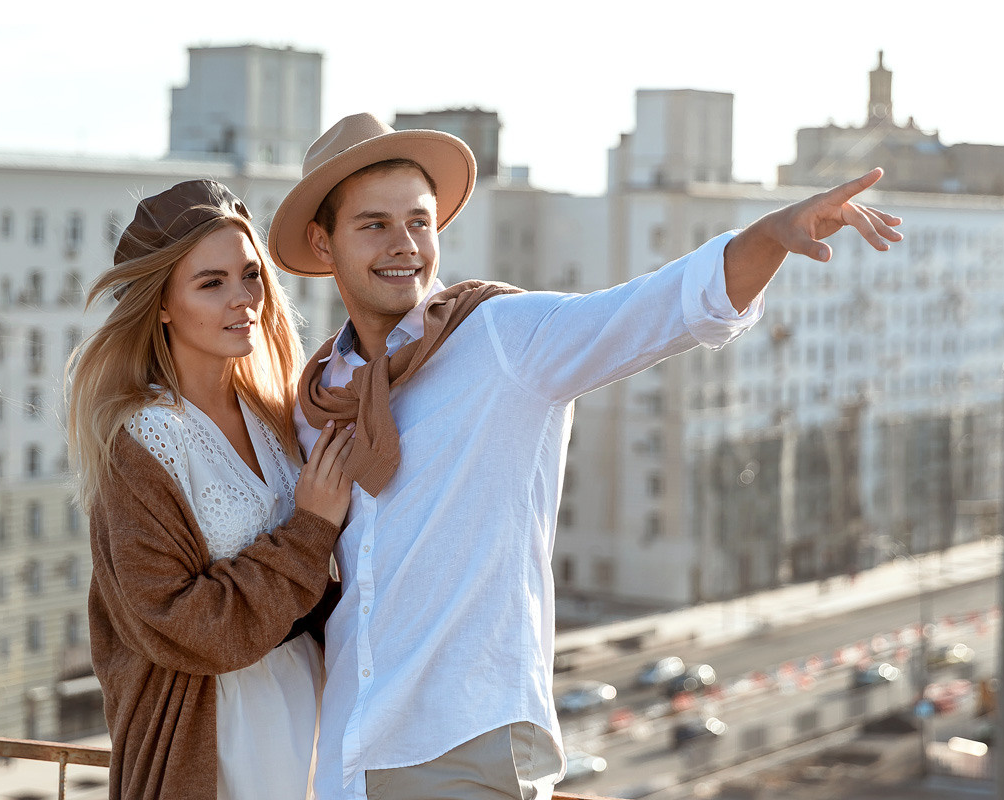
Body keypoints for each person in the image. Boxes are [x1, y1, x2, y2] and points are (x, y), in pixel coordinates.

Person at [266, 113, 903, 799]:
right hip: (346, 753)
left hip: (464, 738)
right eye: (374, 225)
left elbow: (653, 311)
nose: (405, 245)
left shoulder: (502, 340)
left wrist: (770, 237)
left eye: (419, 222)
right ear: (321, 243)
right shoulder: (316, 398)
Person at [67, 180, 355, 800]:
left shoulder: (276, 417)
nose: (243, 300)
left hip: (310, 710)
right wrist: (309, 531)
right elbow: (175, 622)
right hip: (216, 734)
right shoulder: (142, 443)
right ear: (163, 304)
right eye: (211, 283)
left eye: (250, 275)